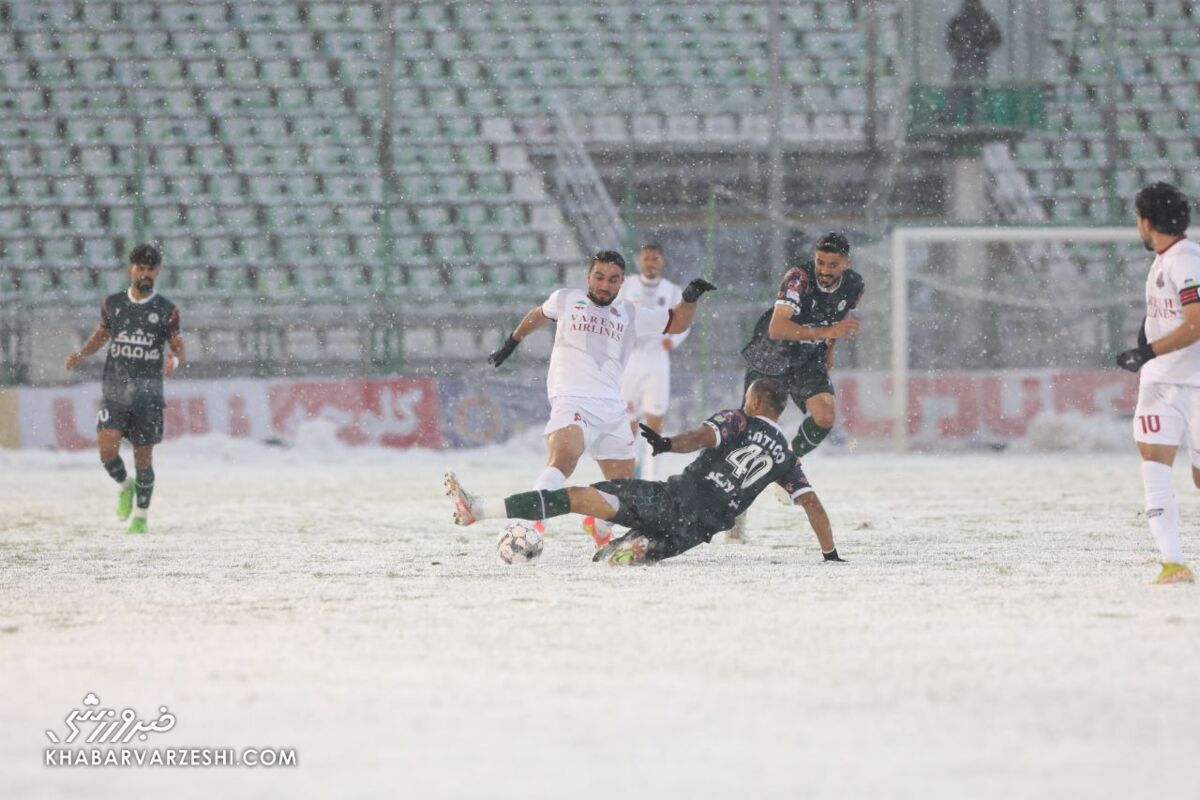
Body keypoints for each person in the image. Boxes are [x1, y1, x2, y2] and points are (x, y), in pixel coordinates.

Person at [444, 378, 844, 565]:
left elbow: (702, 436)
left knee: (574, 497)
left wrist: (669, 444)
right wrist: (830, 554)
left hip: (671, 497)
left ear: (753, 398)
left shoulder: (740, 420)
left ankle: (479, 509)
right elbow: (813, 506)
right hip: (697, 530)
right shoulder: (788, 459)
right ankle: (639, 547)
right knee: (614, 558)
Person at [485, 250, 716, 546]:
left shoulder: (630, 313)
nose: (604, 285)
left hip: (612, 408)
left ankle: (600, 529)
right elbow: (538, 314)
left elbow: (677, 322)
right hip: (571, 399)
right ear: (588, 276)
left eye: (612, 279)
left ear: (621, 283)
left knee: (622, 489)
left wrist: (690, 297)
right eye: (599, 277)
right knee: (563, 461)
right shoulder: (565, 299)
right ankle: (530, 527)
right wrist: (512, 342)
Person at [64, 244, 184, 533]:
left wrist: (175, 360)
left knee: (143, 459)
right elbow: (102, 334)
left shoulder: (166, 310)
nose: (145, 273)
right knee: (107, 450)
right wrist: (83, 353)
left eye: (150, 269)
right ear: (130, 269)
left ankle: (141, 517)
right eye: (140, 268)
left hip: (148, 396)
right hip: (116, 392)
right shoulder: (113, 303)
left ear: (157, 272)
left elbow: (178, 346)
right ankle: (124, 485)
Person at [1115, 182, 1200, 584]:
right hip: (1163, 384)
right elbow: (1170, 314)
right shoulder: (1170, 259)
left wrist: (1148, 351)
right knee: (1155, 462)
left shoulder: (1185, 260)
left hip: (1190, 381)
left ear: (1146, 222)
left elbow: (1197, 323)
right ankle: (1173, 563)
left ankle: (1174, 563)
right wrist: (1145, 335)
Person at [615, 242, 689, 481]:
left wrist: (674, 341)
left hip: (657, 363)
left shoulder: (672, 291)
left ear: (662, 261)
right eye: (646, 259)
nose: (650, 263)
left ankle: (652, 477)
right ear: (639, 261)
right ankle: (627, 475)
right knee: (628, 422)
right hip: (631, 363)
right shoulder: (626, 286)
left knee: (655, 423)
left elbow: (684, 320)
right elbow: (614, 313)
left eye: (655, 259)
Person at [944, 0, 1002, 126]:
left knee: (969, 92)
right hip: (966, 61)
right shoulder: (965, 20)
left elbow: (997, 39)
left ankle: (968, 120)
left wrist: (984, 47)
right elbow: (950, 39)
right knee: (961, 91)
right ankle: (954, 119)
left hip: (975, 61)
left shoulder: (982, 19)